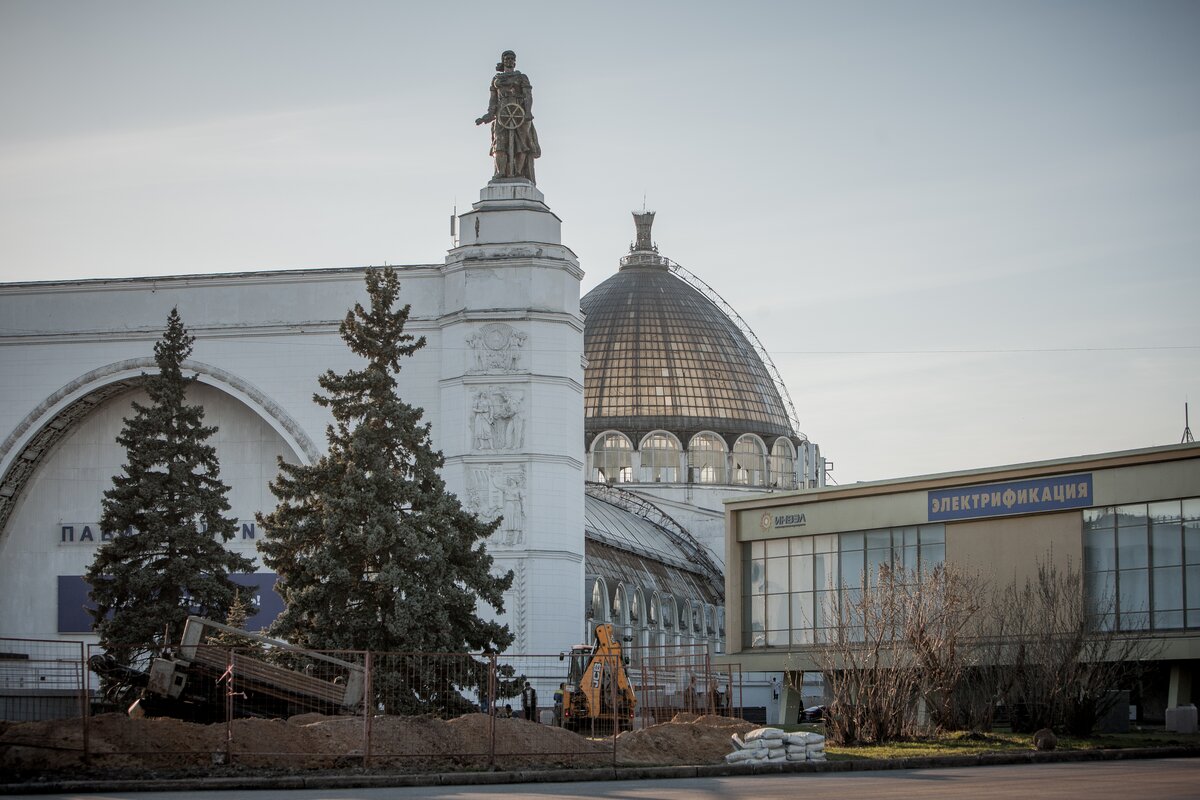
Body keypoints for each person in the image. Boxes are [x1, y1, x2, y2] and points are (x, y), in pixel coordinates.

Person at [475, 50, 541, 183]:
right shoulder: (496, 79)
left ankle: (518, 172)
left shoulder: (521, 77)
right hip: (502, 113)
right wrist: (487, 116)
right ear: (503, 61)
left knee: (522, 144)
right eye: (507, 58)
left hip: (519, 113)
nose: (509, 60)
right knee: (499, 143)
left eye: (512, 58)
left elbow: (528, 96)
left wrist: (528, 112)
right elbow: (493, 100)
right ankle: (501, 172)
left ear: (515, 62)